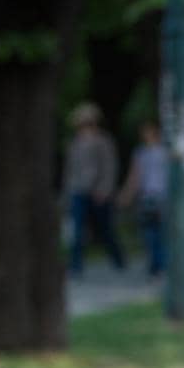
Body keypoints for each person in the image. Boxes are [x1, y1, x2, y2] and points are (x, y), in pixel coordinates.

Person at [63, 101, 125, 276]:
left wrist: (104, 189)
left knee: (105, 229)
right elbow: (69, 170)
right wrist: (68, 192)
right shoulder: (74, 143)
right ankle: (76, 266)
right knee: (77, 230)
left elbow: (109, 167)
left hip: (98, 191)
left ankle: (118, 259)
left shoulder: (103, 141)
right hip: (78, 190)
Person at [119, 121, 168, 277]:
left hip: (163, 197)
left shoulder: (166, 151)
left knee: (161, 233)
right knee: (149, 234)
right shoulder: (140, 153)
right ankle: (155, 266)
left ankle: (161, 266)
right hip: (147, 197)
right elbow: (135, 176)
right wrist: (126, 194)